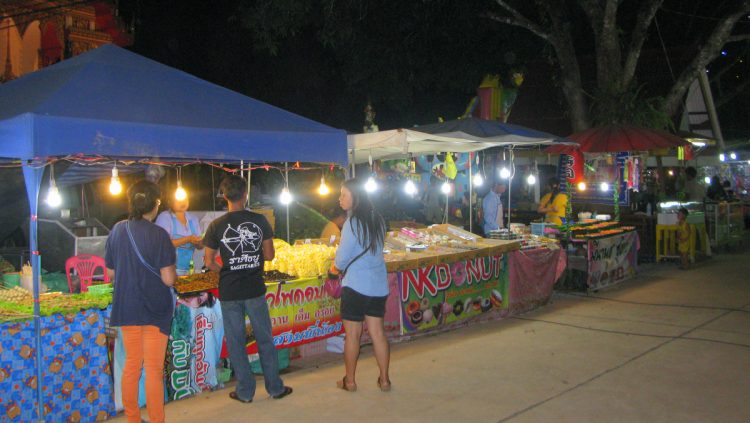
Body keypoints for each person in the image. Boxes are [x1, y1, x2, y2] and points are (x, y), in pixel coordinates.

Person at [203, 174, 292, 403]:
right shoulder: (260, 220)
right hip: (254, 288)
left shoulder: (216, 225)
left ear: (224, 196)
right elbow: (270, 254)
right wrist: (251, 259)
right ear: (245, 195)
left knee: (236, 342)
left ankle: (245, 392)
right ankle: (274, 388)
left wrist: (225, 270)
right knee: (264, 338)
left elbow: (209, 261)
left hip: (230, 291)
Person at [105, 180, 176, 423]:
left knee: (132, 366)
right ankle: (157, 420)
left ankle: (133, 419)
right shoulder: (159, 235)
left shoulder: (117, 230)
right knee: (154, 370)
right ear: (155, 204)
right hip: (155, 310)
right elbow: (168, 279)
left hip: (127, 308)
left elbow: (111, 274)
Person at [331, 178, 391, 392]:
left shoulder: (351, 224)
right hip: (378, 285)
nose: (340, 199)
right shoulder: (379, 219)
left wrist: (332, 270)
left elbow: (341, 260)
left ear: (355, 198)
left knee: (353, 336)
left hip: (356, 286)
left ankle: (350, 381)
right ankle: (384, 380)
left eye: (344, 195)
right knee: (378, 334)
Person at [155, 197, 203, 276]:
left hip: (190, 269)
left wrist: (200, 242)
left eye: (185, 199)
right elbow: (163, 244)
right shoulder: (165, 217)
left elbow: (200, 247)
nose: (183, 202)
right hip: (169, 270)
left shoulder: (193, 219)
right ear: (170, 201)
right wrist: (188, 239)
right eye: (179, 200)